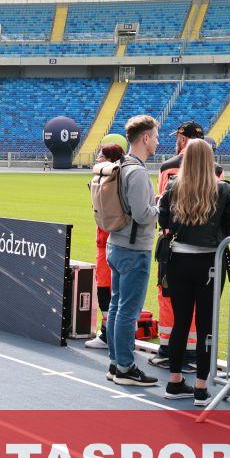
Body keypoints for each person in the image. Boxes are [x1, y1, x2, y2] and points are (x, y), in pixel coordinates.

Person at [158, 139, 230, 406]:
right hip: (209, 262)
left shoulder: (173, 185)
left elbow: (163, 220)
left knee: (180, 323)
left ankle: (174, 380)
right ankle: (201, 387)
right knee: (205, 326)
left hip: (178, 260)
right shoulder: (222, 189)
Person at [150, 121, 224, 372]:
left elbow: (163, 207)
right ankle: (198, 365)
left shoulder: (168, 168)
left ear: (184, 140)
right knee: (204, 313)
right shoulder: (218, 172)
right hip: (209, 250)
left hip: (176, 246)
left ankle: (168, 353)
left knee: (170, 300)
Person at [106, 115, 160, 387]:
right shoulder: (137, 172)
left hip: (117, 243)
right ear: (145, 138)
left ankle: (116, 363)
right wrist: (161, 207)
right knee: (128, 311)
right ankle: (126, 367)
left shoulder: (122, 165)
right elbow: (142, 214)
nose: (157, 142)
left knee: (117, 307)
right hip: (133, 249)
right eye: (156, 136)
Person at [85, 133, 128, 350]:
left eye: (101, 156)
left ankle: (109, 335)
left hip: (109, 243)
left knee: (107, 290)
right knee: (105, 289)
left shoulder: (112, 181)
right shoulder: (105, 179)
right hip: (104, 242)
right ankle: (108, 333)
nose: (97, 159)